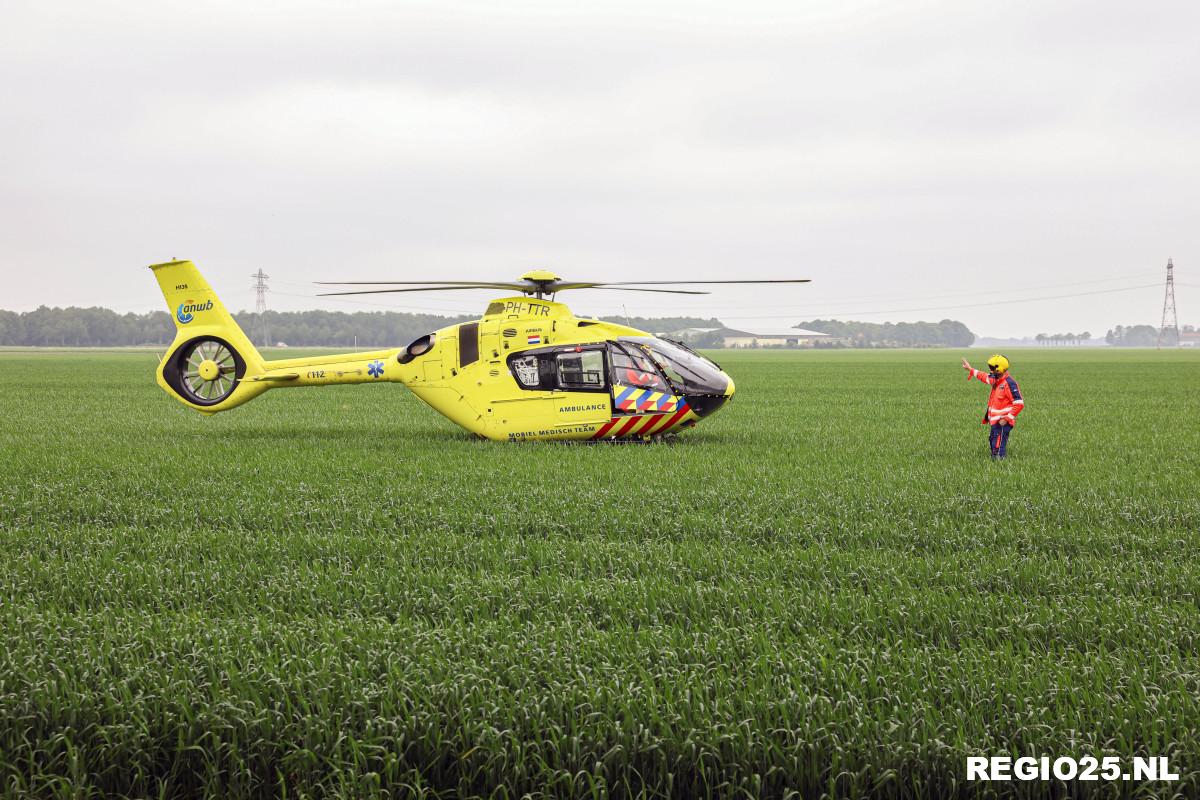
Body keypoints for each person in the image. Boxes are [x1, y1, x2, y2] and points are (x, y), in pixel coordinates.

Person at [961, 354, 1024, 458]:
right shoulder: (996, 379)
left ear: (999, 369)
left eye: (991, 367)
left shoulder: (1009, 383)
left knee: (998, 448)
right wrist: (970, 369)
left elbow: (1019, 404)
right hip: (995, 421)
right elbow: (984, 377)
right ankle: (995, 462)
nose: (989, 370)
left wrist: (1007, 419)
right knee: (993, 441)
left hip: (1003, 422)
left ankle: (1000, 465)